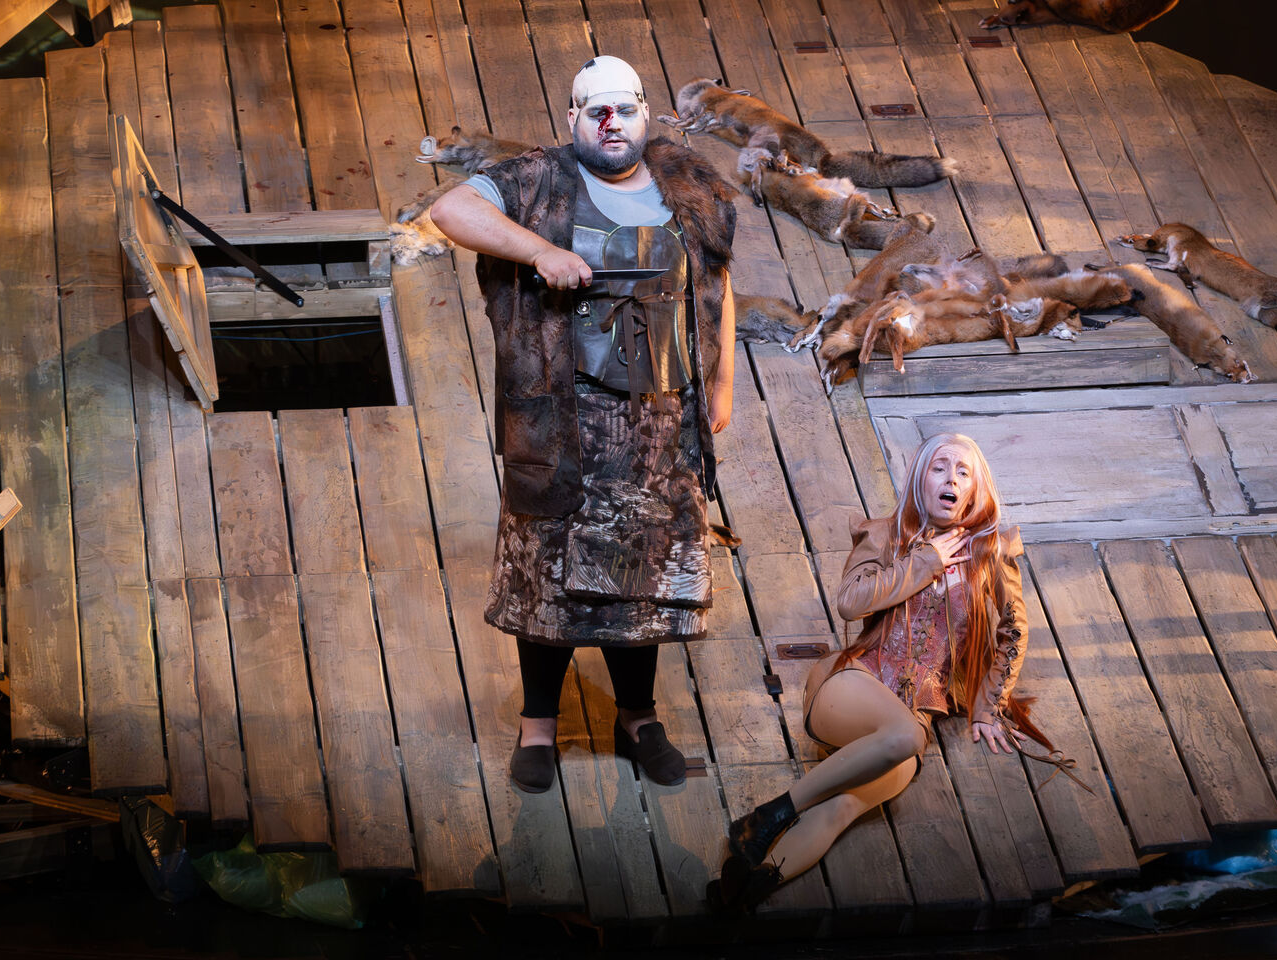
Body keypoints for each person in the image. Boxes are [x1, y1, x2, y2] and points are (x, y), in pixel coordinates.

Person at [430, 57, 738, 794]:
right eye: (594, 111)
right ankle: (539, 727)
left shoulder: (689, 187)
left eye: (623, 110)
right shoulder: (539, 179)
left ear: (644, 114)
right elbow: (451, 212)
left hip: (660, 419)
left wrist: (722, 383)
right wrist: (541, 250)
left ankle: (638, 718)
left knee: (642, 570)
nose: (610, 123)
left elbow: (719, 284)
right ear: (573, 119)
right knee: (548, 573)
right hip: (564, 417)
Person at [708, 433, 1048, 910]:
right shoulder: (887, 534)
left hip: (909, 720)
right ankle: (770, 815)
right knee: (907, 737)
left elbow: (1014, 628)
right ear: (920, 479)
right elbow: (850, 602)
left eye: (963, 472)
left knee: (845, 806)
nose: (951, 479)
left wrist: (988, 706)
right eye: (939, 468)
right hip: (852, 686)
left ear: (975, 489)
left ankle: (746, 892)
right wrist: (926, 561)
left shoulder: (989, 552)